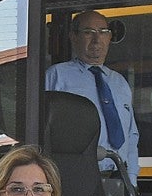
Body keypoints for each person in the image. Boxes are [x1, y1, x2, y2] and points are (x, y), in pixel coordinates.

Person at [45, 10, 139, 185]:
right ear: (74, 37)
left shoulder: (119, 83)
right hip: (74, 178)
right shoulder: (56, 76)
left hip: (119, 178)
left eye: (103, 32)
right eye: (88, 32)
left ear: (109, 37)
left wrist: (131, 179)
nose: (97, 40)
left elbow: (131, 135)